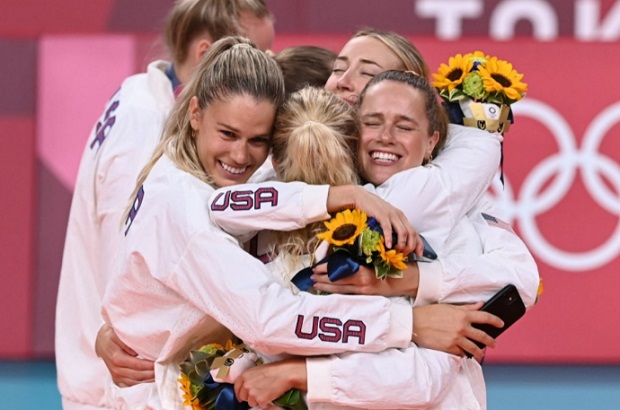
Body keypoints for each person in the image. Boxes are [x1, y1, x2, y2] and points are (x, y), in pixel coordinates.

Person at [101, 36, 464, 410]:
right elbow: (269, 319)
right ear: (196, 114)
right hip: (159, 393)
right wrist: (409, 324)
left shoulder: (190, 172)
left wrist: (127, 322)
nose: (240, 154)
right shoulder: (196, 208)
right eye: (228, 133)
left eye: (256, 140)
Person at [55, 1, 275, 408]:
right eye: (256, 53)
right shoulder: (147, 129)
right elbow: (129, 281)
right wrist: (112, 334)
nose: (266, 69)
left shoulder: (143, 91)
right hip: (123, 383)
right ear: (208, 54)